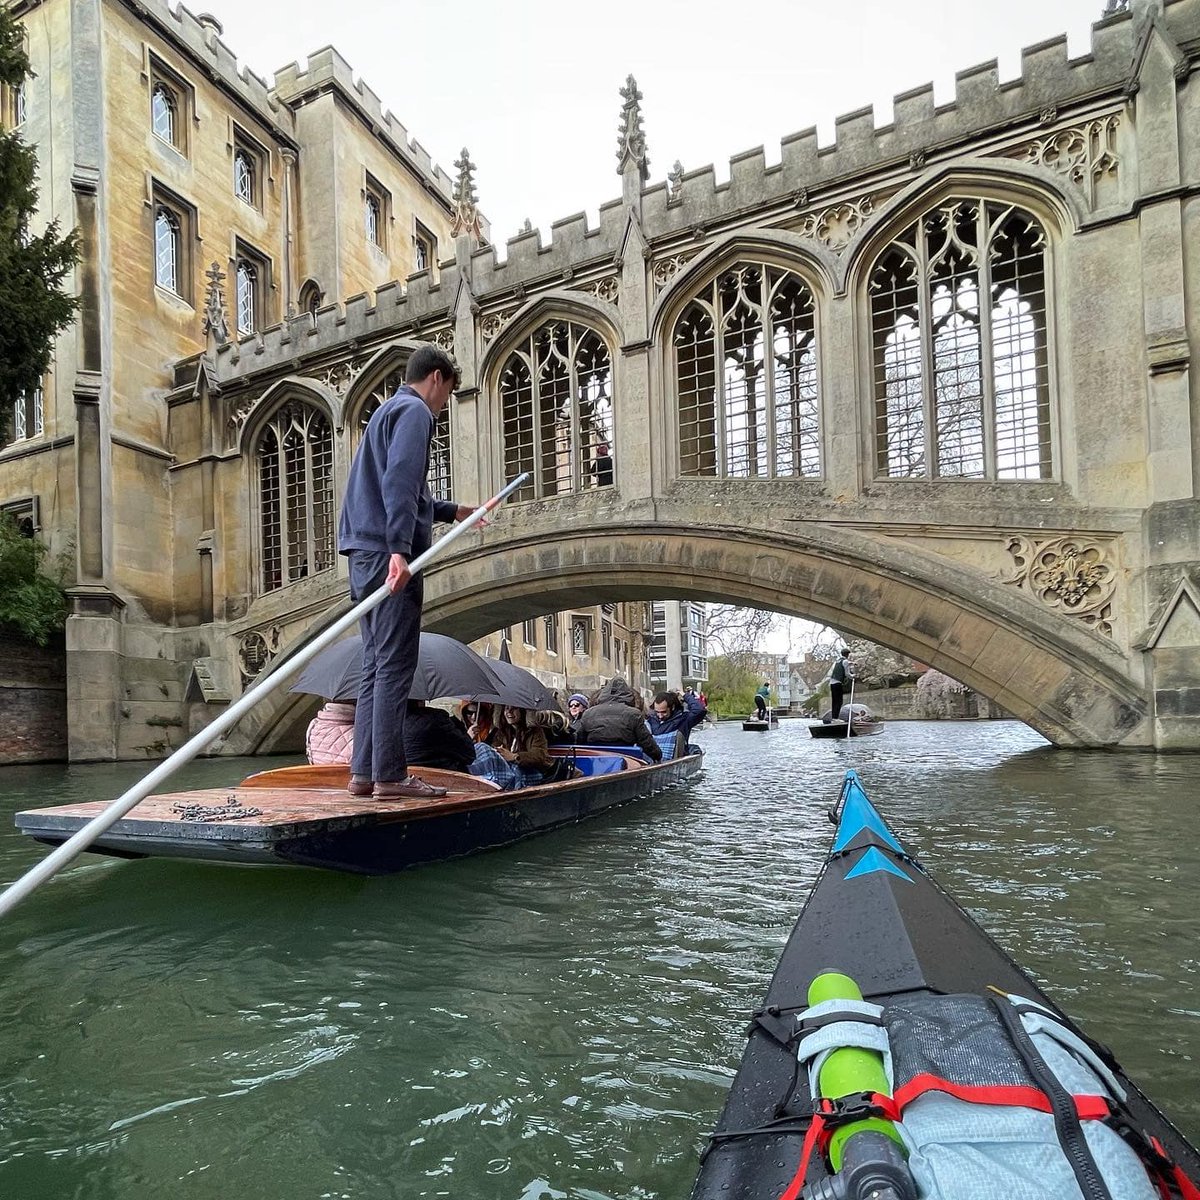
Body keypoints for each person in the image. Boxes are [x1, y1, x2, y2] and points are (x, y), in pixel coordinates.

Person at [338, 345, 478, 801]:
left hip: (363, 550)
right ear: (436, 378)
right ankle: (392, 777)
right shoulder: (416, 412)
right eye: (447, 395)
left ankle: (364, 775)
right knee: (396, 665)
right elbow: (399, 480)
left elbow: (398, 488)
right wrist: (399, 550)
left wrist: (450, 510)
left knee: (375, 665)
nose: (443, 406)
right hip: (386, 554)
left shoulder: (386, 412)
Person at [577, 676, 662, 761]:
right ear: (628, 695)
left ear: (604, 694)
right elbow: (646, 742)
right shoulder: (633, 714)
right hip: (626, 757)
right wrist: (657, 755)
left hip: (596, 758)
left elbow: (579, 740)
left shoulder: (588, 713)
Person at [829, 647, 853, 722]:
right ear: (847, 654)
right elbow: (847, 674)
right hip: (838, 683)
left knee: (834, 701)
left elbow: (844, 664)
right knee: (839, 701)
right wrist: (853, 676)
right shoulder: (845, 661)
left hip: (832, 683)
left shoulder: (838, 661)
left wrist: (852, 663)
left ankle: (834, 718)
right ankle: (836, 718)